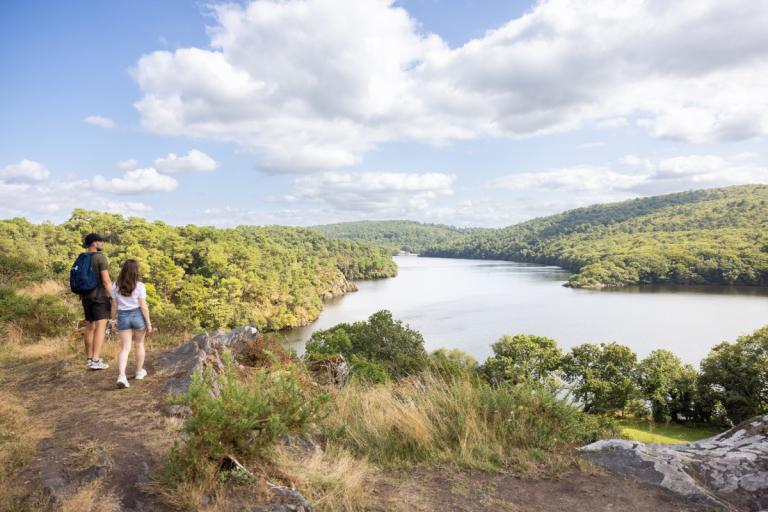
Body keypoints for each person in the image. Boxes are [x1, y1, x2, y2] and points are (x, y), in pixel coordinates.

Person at [110, 259, 153, 389]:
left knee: (125, 348)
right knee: (139, 345)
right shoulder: (140, 286)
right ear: (136, 271)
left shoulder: (115, 286)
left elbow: (114, 305)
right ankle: (139, 372)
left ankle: (122, 376)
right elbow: (143, 306)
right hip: (138, 315)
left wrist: (113, 320)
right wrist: (148, 323)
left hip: (123, 316)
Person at [81, 233, 111, 370]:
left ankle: (89, 358)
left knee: (89, 327)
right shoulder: (101, 258)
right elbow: (106, 280)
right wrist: (113, 296)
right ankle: (96, 360)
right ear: (94, 243)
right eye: (100, 241)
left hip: (86, 296)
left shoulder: (82, 257)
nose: (102, 243)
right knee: (100, 328)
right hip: (100, 297)